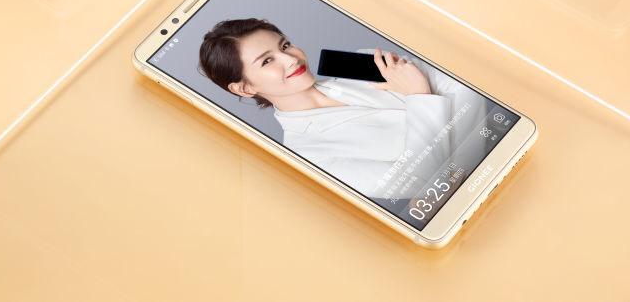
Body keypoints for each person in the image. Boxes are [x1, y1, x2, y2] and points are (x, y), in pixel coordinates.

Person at [198, 18, 484, 199]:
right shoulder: (306, 155)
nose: (291, 59)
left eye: (285, 45)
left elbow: (471, 88)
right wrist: (420, 95)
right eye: (266, 61)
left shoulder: (355, 63)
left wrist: (447, 168)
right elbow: (416, 184)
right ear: (245, 88)